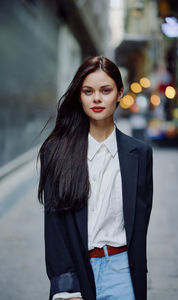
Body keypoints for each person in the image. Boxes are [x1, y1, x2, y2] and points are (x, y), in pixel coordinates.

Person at [38, 56, 153, 300]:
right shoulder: (57, 151)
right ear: (79, 96)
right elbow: (55, 228)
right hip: (77, 271)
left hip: (123, 274)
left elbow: (139, 225)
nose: (97, 98)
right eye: (88, 91)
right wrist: (66, 289)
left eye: (106, 90)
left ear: (120, 93)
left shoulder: (140, 155)